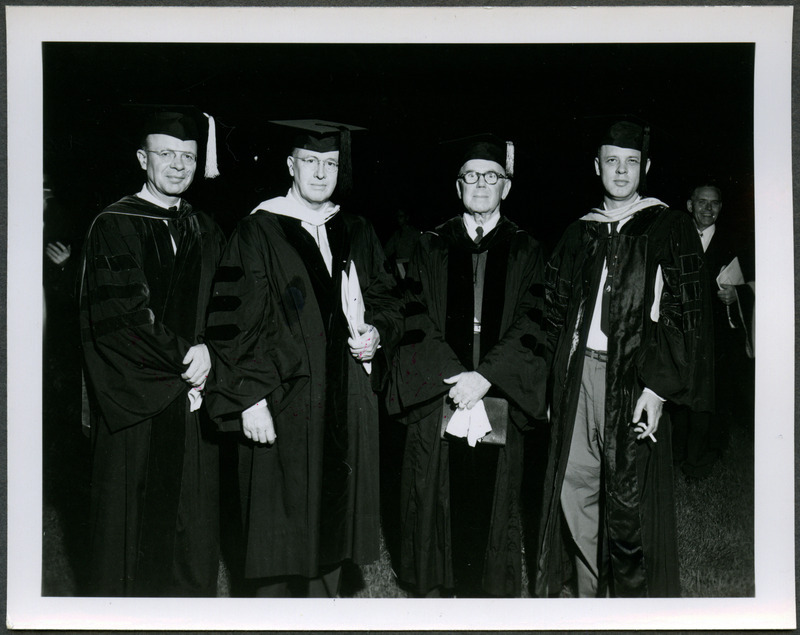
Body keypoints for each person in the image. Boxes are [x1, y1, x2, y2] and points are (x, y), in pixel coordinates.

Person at [203, 120, 403, 598]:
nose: (320, 173)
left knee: (333, 534)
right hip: (284, 402)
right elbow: (232, 325)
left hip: (346, 402)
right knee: (277, 533)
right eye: (310, 161)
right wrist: (248, 399)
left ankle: (326, 611)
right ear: (290, 165)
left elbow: (389, 300)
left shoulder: (356, 229)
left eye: (330, 163)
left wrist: (378, 332)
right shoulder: (258, 230)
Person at [535, 121, 712, 598]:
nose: (620, 170)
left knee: (629, 501)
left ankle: (631, 604)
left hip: (635, 380)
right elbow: (551, 311)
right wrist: (554, 384)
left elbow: (684, 315)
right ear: (597, 167)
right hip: (580, 376)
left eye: (631, 161)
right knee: (574, 485)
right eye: (611, 160)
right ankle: (593, 591)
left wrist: (657, 390)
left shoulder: (670, 226)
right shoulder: (580, 232)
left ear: (645, 167)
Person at [388, 134, 547, 597]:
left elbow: (535, 321)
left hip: (498, 385)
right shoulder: (430, 245)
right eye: (472, 176)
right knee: (435, 488)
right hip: (443, 387)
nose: (481, 184)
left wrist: (487, 376)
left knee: (495, 495)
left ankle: (488, 595)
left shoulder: (527, 249)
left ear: (506, 187)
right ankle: (439, 592)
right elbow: (412, 315)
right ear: (458, 187)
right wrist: (459, 377)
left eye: (491, 176)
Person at [79, 109, 225, 596]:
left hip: (194, 404)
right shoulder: (114, 224)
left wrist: (214, 355)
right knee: (131, 533)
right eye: (166, 154)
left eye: (188, 155)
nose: (179, 165)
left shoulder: (206, 227)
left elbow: (228, 306)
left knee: (191, 530)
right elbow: (122, 320)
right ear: (143, 159)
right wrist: (192, 357)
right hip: (139, 404)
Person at [671, 184, 755, 479]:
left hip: (719, 337)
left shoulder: (736, 242)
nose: (708, 209)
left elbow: (762, 284)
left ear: (721, 207)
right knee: (679, 396)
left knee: (713, 398)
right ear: (689, 205)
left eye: (714, 203)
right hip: (680, 333)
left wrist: (738, 294)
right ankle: (676, 454)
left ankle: (704, 457)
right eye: (702, 202)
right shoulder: (675, 238)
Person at [384, 207, 421, 278]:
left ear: (407, 218)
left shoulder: (414, 233)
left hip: (412, 267)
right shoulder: (396, 235)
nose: (399, 219)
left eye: (401, 216)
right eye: (397, 216)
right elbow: (387, 250)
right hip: (400, 267)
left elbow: (420, 252)